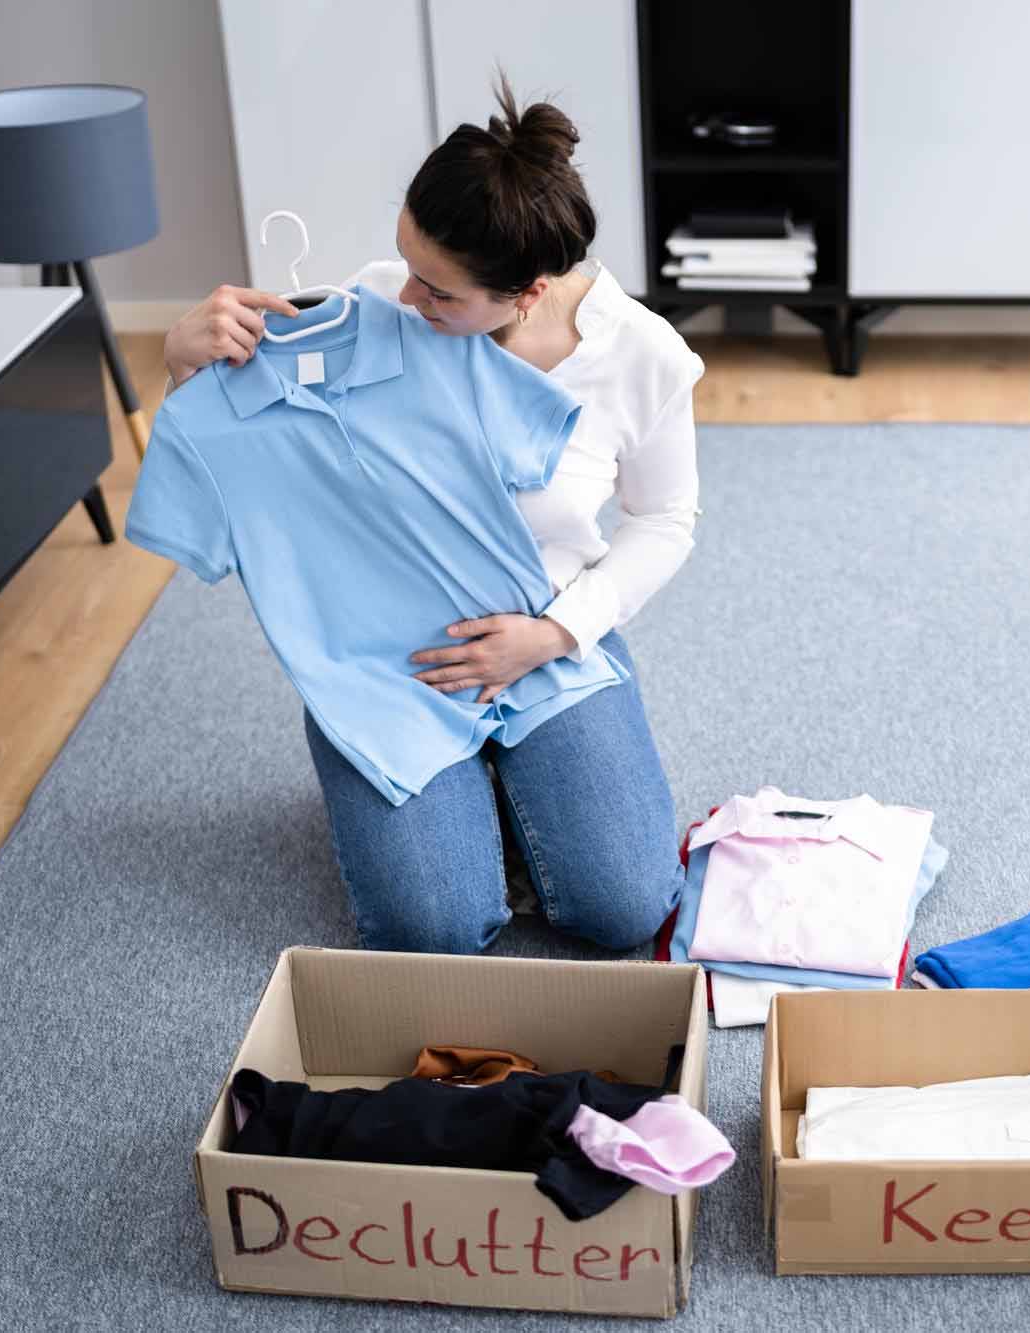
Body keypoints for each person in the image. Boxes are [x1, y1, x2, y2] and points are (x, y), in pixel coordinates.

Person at [160, 82, 701, 956]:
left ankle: (510, 782)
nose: (405, 297)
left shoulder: (640, 358)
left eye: (438, 291)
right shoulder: (378, 309)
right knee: (432, 931)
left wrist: (558, 632)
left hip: (544, 635)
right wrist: (181, 361)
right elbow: (245, 446)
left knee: (627, 909)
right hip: (389, 656)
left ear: (527, 292)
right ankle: (442, 789)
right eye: (406, 262)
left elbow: (668, 518)